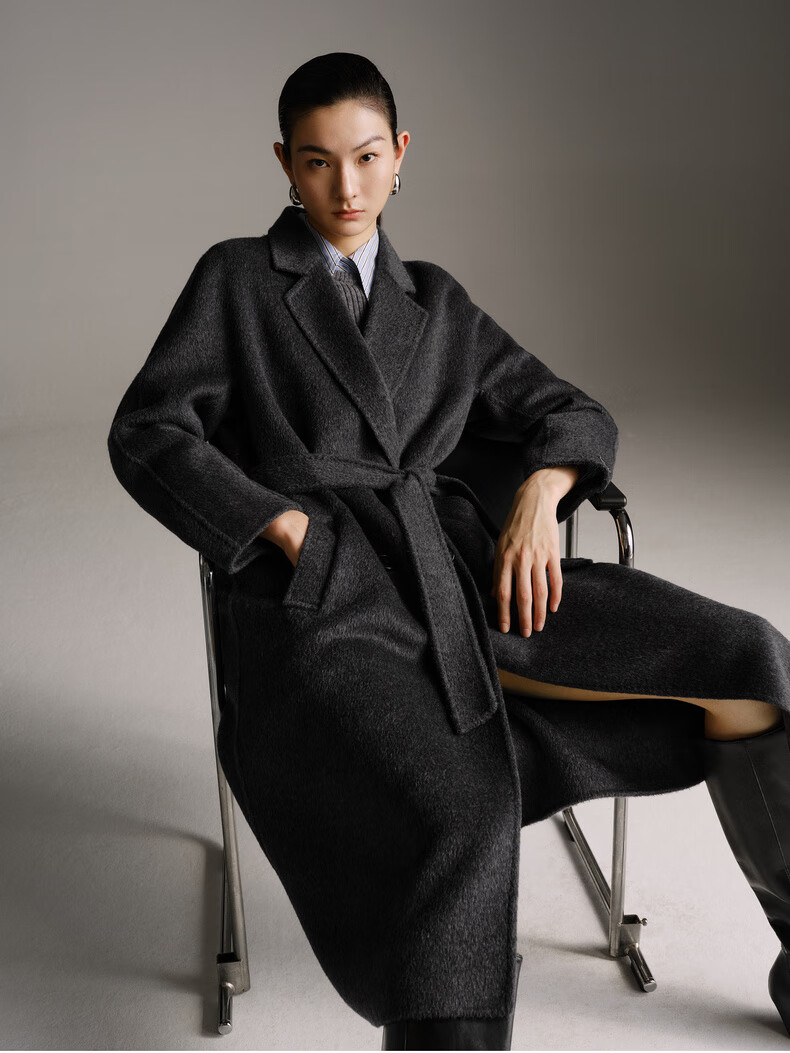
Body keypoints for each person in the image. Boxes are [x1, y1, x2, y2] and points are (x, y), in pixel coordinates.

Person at [107, 51, 790, 1050]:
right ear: (285, 165)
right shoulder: (239, 279)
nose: (346, 187)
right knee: (462, 814)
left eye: (365, 157)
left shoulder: (436, 301)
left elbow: (571, 410)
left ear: (400, 154)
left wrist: (541, 495)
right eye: (317, 162)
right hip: (331, 610)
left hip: (467, 578)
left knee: (750, 658)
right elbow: (148, 431)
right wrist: (281, 528)